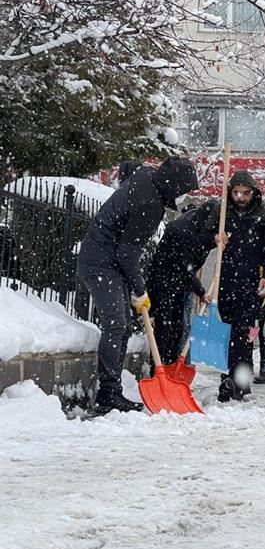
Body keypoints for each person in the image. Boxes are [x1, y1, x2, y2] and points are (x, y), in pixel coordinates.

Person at [77, 157, 198, 414]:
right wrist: (140, 290)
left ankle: (111, 392)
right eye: (183, 189)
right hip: (100, 262)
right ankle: (107, 394)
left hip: (107, 259)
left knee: (121, 329)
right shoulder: (149, 204)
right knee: (116, 325)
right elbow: (127, 254)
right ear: (172, 184)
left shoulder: (146, 178)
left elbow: (130, 167)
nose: (182, 196)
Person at [209, 170, 265, 402]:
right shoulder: (222, 213)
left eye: (245, 193)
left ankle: (240, 379)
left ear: (253, 193)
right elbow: (206, 234)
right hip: (226, 280)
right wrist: (216, 237)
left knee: (245, 332)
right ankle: (229, 377)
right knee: (227, 331)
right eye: (236, 193)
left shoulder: (264, 214)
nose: (241, 197)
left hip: (251, 280)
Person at [146, 199, 220, 366]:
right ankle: (157, 367)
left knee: (179, 326)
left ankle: (172, 365)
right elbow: (185, 267)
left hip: (181, 282)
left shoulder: (207, 228)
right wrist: (201, 291)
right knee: (165, 325)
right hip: (162, 279)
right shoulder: (184, 231)